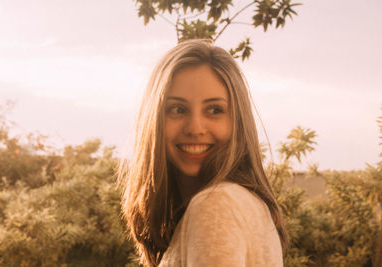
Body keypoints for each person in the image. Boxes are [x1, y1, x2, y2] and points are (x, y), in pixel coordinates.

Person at [119, 39, 288, 267]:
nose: (195, 128)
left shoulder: (216, 206)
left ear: (237, 122)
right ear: (154, 120)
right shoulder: (241, 204)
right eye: (178, 109)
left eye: (214, 110)